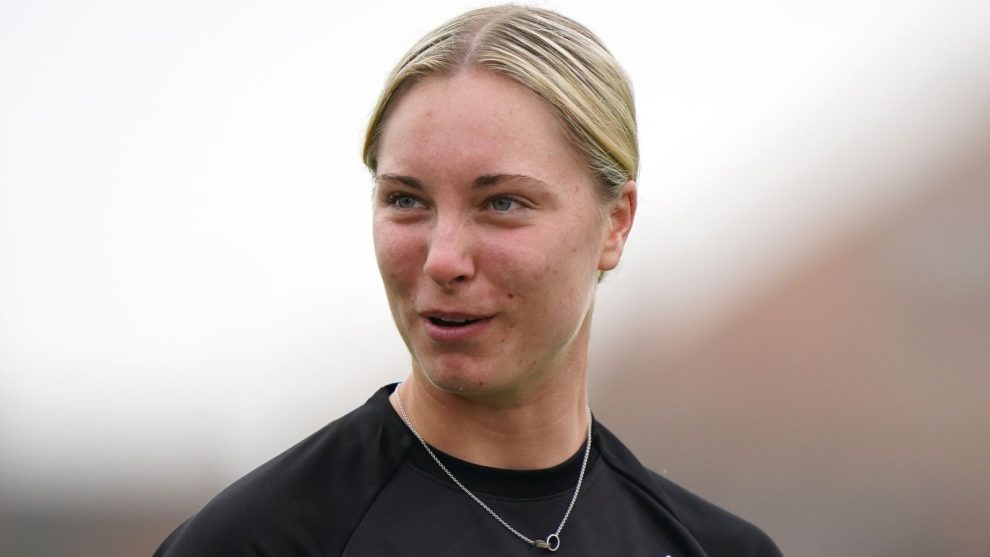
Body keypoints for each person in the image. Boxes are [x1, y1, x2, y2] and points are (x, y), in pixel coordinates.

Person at [155, 5, 782, 556]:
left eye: (502, 203)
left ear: (615, 224)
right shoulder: (259, 540)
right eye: (406, 200)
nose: (442, 260)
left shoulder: (715, 547)